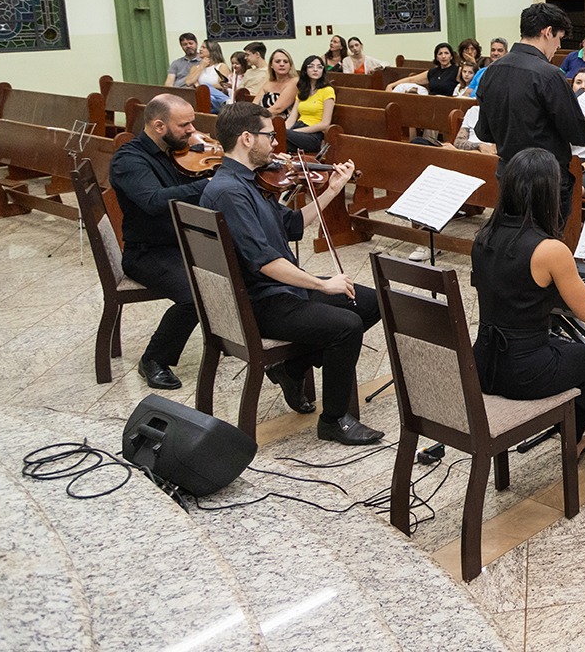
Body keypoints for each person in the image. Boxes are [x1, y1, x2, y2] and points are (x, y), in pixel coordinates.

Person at [199, 102, 384, 444]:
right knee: (346, 326)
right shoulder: (230, 193)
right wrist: (322, 284)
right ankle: (334, 420)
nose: (275, 144)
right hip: (261, 301)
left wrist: (332, 188)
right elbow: (265, 262)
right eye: (269, 136)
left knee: (371, 302)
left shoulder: (249, 182)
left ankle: (291, 367)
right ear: (246, 138)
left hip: (278, 291)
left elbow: (295, 224)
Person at [108, 94, 211, 390]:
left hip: (179, 242)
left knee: (247, 265)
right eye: (185, 125)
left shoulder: (173, 150)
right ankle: (154, 359)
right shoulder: (129, 160)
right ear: (158, 126)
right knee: (195, 294)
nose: (192, 131)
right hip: (147, 252)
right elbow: (153, 201)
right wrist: (206, 185)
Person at [476, 3, 585, 224]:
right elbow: (578, 134)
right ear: (547, 32)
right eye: (559, 39)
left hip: (508, 173)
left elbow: (484, 132)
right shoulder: (549, 75)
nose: (558, 46)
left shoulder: (491, 71)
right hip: (545, 179)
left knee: (515, 239)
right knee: (544, 244)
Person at [284, 55, 336, 154]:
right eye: (311, 66)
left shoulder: (328, 91)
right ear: (305, 70)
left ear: (323, 71)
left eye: (319, 67)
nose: (315, 69)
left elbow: (325, 124)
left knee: (281, 137)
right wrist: (281, 130)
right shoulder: (302, 91)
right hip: (297, 129)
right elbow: (292, 118)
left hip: (314, 135)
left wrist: (295, 132)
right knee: (273, 134)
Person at [393, 42, 459, 96]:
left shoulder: (457, 70)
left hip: (449, 104)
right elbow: (411, 79)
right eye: (440, 54)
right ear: (436, 57)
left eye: (446, 53)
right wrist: (391, 85)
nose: (443, 56)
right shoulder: (433, 72)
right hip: (431, 103)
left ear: (451, 56)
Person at [258, 48, 299, 119]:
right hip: (263, 119)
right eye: (278, 61)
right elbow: (254, 104)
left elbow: (278, 109)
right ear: (271, 65)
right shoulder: (268, 83)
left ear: (290, 66)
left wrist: (256, 117)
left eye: (285, 62)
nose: (282, 64)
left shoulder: (295, 82)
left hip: (283, 123)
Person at [193, 39, 230, 109]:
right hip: (205, 99)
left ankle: (226, 101)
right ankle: (226, 103)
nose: (200, 49)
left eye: (203, 47)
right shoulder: (197, 67)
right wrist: (201, 67)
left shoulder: (221, 66)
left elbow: (223, 85)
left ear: (212, 50)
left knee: (206, 87)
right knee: (209, 96)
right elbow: (189, 82)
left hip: (217, 96)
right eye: (200, 47)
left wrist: (206, 87)